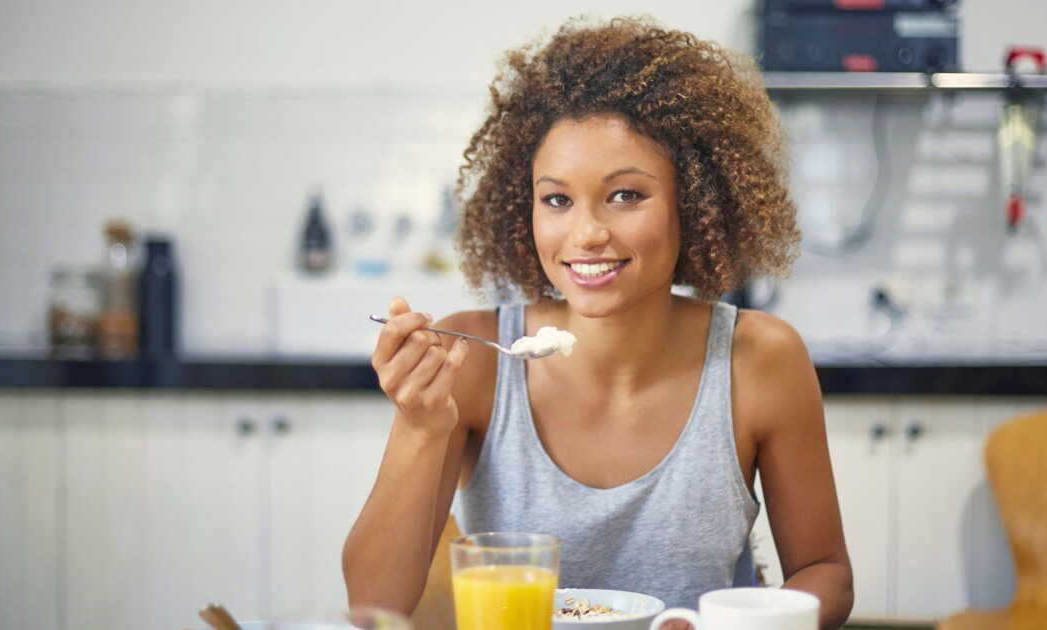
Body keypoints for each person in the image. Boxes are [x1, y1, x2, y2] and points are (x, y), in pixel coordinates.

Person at [343, 16, 853, 629]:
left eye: (626, 196)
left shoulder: (760, 358)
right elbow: (374, 602)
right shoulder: (472, 358)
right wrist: (420, 427)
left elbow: (825, 570)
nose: (586, 234)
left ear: (692, 202)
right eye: (556, 200)